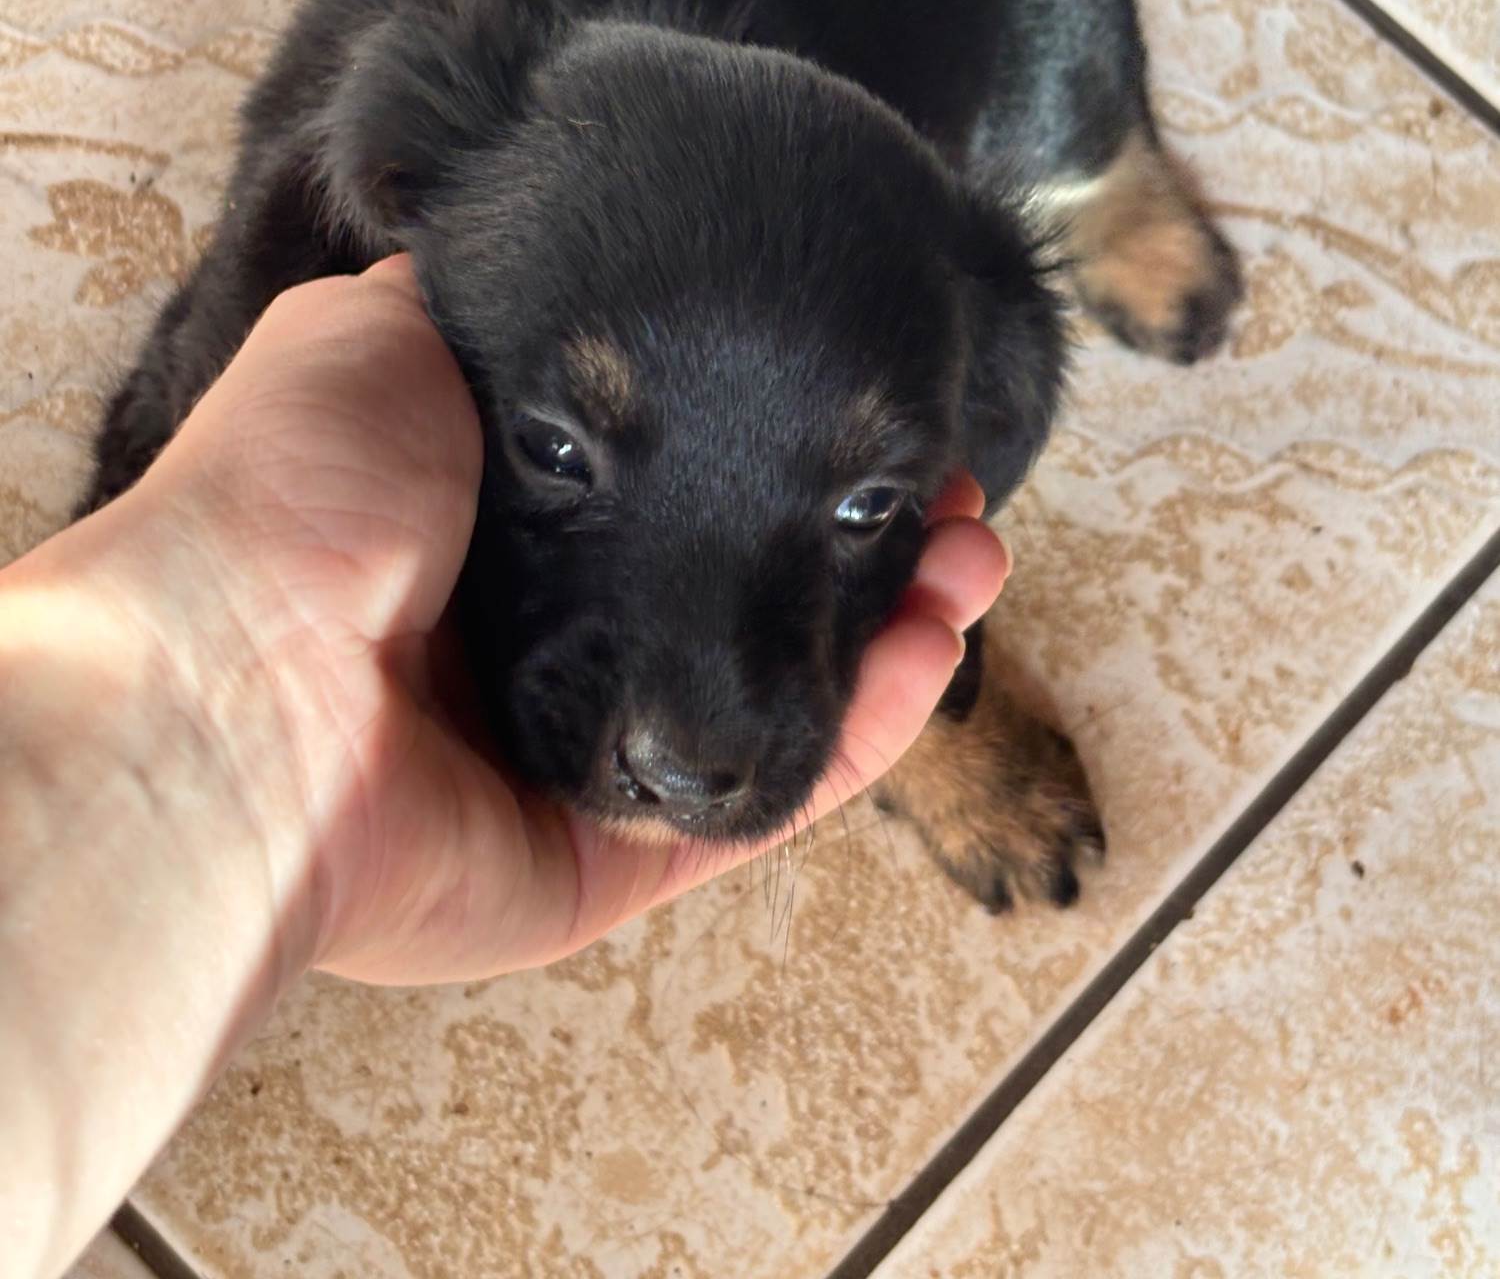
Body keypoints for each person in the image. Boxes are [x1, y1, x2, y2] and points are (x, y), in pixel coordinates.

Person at [0, 255, 1007, 1279]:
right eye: (558, 450)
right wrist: (188, 623)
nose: (687, 745)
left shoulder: (954, 297)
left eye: (864, 505)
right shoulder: (333, 255)